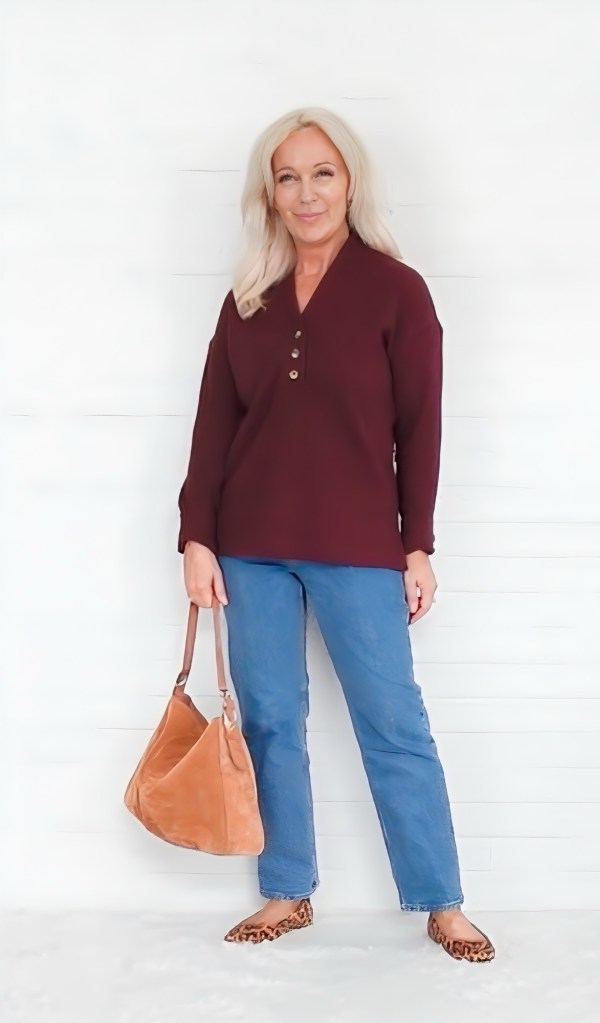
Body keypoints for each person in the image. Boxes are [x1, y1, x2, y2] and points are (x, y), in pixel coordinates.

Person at [177, 107, 495, 963]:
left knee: (393, 720)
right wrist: (197, 536)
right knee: (272, 720)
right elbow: (214, 424)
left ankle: (441, 899)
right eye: (287, 176)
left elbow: (421, 427)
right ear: (269, 193)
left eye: (322, 173)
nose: (306, 192)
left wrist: (417, 544)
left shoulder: (397, 291)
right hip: (249, 543)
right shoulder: (248, 297)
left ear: (350, 182)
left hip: (359, 543)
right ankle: (288, 889)